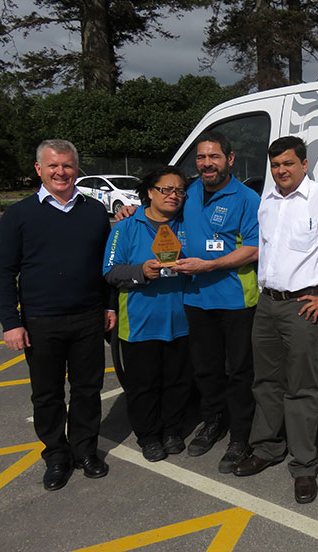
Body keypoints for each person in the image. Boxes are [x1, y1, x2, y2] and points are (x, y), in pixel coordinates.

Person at [232, 135, 318, 504]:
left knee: (302, 388)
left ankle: (304, 465)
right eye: (275, 166)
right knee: (266, 383)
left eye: (288, 164)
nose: (281, 171)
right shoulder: (267, 201)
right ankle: (267, 448)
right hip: (268, 305)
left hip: (302, 307)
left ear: (304, 165)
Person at [120, 132, 262, 472]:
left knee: (239, 372)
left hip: (235, 299)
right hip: (195, 298)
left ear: (229, 159)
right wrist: (132, 209)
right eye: (201, 158)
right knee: (206, 369)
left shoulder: (246, 198)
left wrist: (211, 264)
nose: (206, 163)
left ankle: (240, 438)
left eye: (213, 157)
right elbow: (160, 206)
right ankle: (213, 421)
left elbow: (255, 248)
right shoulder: (190, 192)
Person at [0, 139, 115, 491]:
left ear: (77, 169)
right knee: (46, 394)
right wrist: (11, 323)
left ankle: (85, 451)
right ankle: (57, 455)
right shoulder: (18, 215)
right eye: (53, 166)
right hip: (40, 321)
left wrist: (109, 305)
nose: (61, 172)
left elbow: (106, 265)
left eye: (67, 165)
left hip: (88, 316)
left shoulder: (94, 211)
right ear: (39, 170)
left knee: (87, 389)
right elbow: (3, 273)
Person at [103, 167, 191, 462]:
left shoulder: (188, 223)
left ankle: (171, 430)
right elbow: (110, 271)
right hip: (140, 322)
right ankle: (149, 436)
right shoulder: (125, 227)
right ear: (150, 192)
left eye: (179, 191)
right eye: (166, 189)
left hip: (180, 321)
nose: (173, 196)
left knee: (177, 382)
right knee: (144, 385)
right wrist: (141, 271)